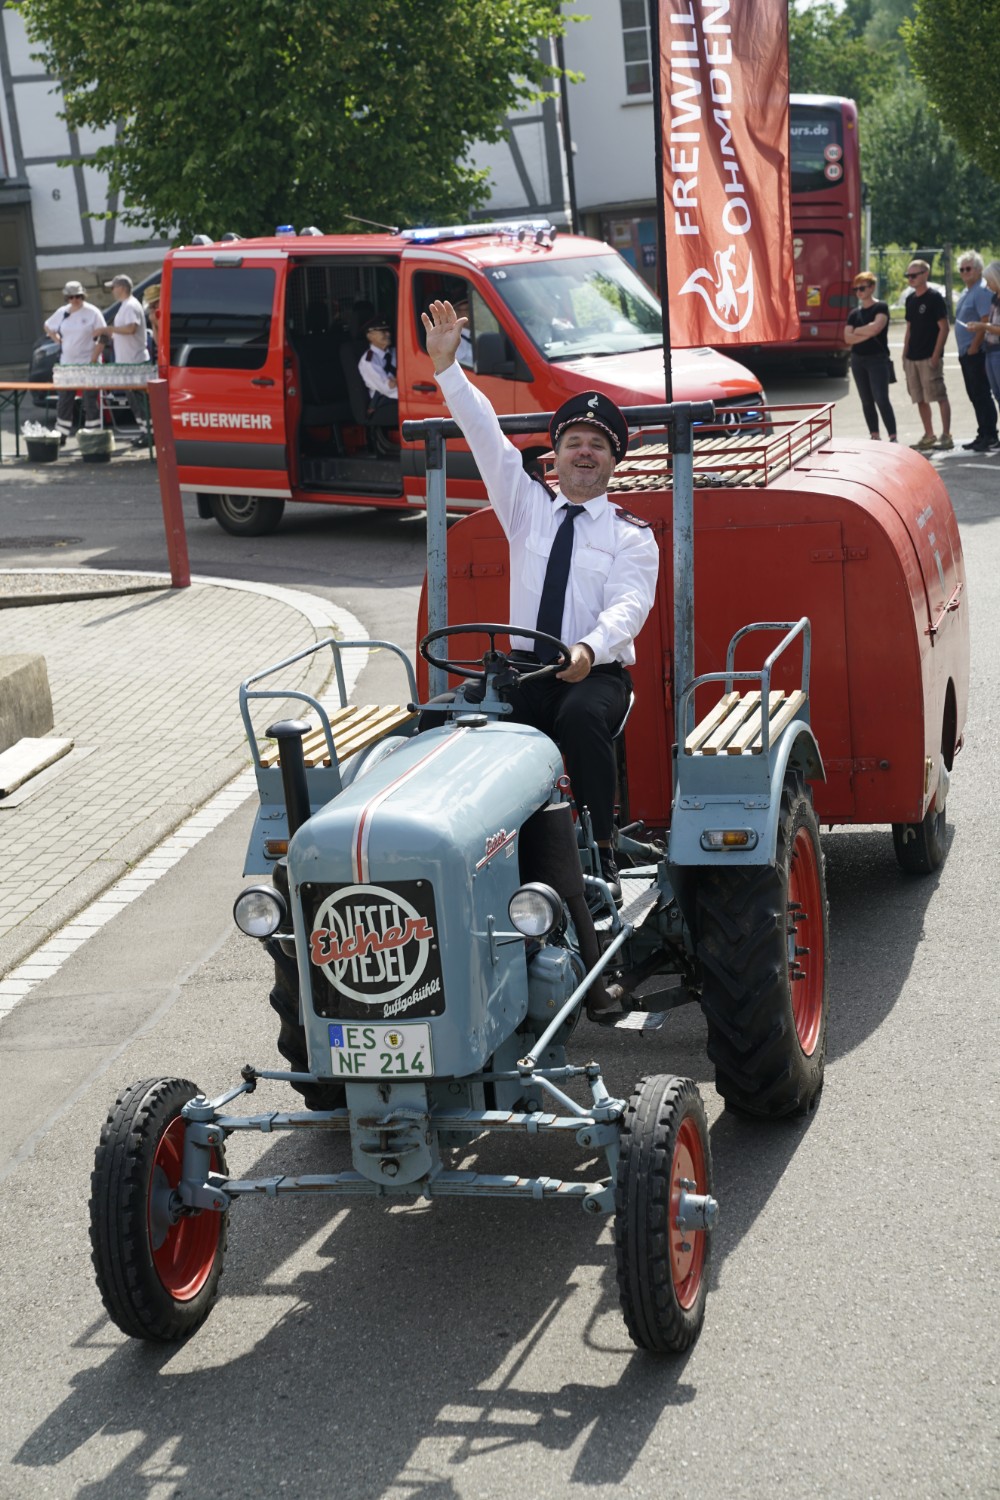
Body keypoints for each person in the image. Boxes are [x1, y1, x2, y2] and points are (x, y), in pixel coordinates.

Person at [421, 298, 660, 903]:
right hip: (525, 672)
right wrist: (448, 367)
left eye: (598, 445)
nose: (585, 452)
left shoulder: (632, 535)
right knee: (444, 716)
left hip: (594, 675)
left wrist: (589, 648)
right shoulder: (526, 507)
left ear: (613, 461)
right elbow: (486, 436)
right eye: (574, 441)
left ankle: (601, 855)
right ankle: (462, 855)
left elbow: (629, 607)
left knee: (579, 717)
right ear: (555, 455)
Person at [43, 279, 104, 443]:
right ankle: (61, 433)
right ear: (67, 298)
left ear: (83, 296)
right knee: (64, 399)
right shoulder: (62, 312)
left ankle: (93, 434)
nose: (75, 300)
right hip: (67, 363)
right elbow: (48, 326)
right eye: (71, 297)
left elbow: (104, 335)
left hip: (88, 363)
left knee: (90, 400)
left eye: (78, 296)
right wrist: (58, 341)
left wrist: (94, 358)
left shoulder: (92, 312)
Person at [94, 274, 151, 446]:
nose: (112, 291)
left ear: (122, 288)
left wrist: (109, 329)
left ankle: (150, 434)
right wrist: (111, 334)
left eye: (113, 287)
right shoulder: (126, 305)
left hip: (134, 361)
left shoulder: (130, 305)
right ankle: (146, 432)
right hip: (130, 361)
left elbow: (131, 328)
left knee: (139, 401)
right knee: (135, 401)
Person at [901, 259, 952, 451]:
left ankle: (946, 435)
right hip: (912, 357)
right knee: (919, 398)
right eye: (908, 275)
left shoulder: (934, 298)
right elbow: (909, 328)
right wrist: (904, 354)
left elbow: (944, 328)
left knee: (939, 395)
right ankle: (929, 435)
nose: (910, 279)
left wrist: (935, 355)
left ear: (925, 274)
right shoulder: (910, 299)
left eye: (914, 275)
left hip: (929, 357)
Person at [843, 271, 897, 442]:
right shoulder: (854, 314)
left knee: (881, 398)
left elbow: (876, 328)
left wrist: (858, 331)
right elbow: (847, 338)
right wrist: (866, 332)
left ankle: (893, 436)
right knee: (866, 400)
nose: (859, 292)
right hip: (858, 360)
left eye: (862, 288)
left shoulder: (880, 307)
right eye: (856, 289)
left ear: (872, 287)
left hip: (877, 359)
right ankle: (874, 434)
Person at [953, 252, 999, 452]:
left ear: (979, 270)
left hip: (977, 352)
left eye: (968, 269)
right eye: (961, 269)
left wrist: (973, 347)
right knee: (975, 394)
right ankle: (983, 432)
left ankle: (990, 434)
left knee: (981, 394)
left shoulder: (981, 291)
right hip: (968, 352)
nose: (964, 272)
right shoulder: (967, 291)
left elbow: (985, 320)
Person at [965, 260, 1000, 446]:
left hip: (998, 351)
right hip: (991, 350)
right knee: (997, 394)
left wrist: (982, 326)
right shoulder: (995, 298)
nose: (988, 285)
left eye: (990, 281)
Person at [357, 316, 397, 422]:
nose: (388, 334)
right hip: (385, 401)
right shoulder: (369, 361)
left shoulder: (396, 352)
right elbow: (388, 389)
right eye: (383, 331)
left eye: (388, 330)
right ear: (370, 336)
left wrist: (397, 381)